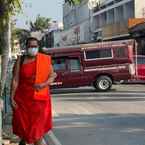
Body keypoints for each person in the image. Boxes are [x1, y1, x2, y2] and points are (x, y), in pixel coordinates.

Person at [10, 37, 57, 145]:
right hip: (22, 100)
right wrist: (11, 96)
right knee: (23, 129)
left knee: (37, 131)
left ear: (38, 47)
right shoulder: (20, 60)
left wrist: (43, 84)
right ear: (26, 47)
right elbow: (15, 79)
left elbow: (52, 76)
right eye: (30, 46)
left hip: (39, 101)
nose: (33, 48)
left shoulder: (44, 60)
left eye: (35, 46)